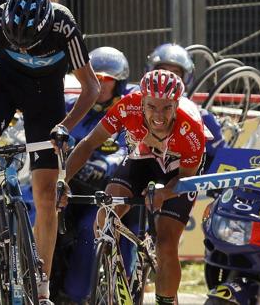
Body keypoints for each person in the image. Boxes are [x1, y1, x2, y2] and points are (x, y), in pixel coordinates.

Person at [0, 0, 99, 304]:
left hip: (46, 95)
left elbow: (91, 88)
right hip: (4, 83)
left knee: (45, 195)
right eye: (16, 42)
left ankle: (42, 287)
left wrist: (64, 128)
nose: (24, 49)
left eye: (29, 43)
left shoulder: (63, 24)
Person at [65, 69, 206, 304]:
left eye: (166, 107)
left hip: (178, 173)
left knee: (166, 243)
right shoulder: (127, 107)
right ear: (141, 102)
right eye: (151, 107)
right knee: (105, 215)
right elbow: (89, 143)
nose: (158, 116)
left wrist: (165, 193)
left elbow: (185, 178)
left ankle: (166, 300)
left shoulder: (191, 129)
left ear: (176, 104)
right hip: (143, 160)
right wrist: (62, 181)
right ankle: (113, 272)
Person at [54, 46, 138, 303]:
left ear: (119, 83)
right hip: (66, 184)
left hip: (106, 192)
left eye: (107, 80)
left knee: (88, 228)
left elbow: (130, 148)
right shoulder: (71, 105)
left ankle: (74, 296)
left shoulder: (127, 111)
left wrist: (107, 164)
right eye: (95, 78)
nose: (100, 85)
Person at [146, 43, 226, 165]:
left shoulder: (202, 118)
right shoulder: (133, 106)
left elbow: (224, 160)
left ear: (185, 78)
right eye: (162, 71)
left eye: (175, 73)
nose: (168, 77)